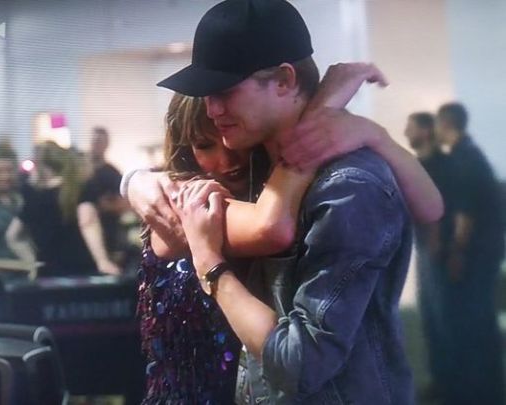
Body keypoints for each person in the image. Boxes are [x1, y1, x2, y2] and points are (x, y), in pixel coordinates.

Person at [143, 1, 448, 403]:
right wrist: (135, 183)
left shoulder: (347, 187)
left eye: (225, 91)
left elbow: (301, 362)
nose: (212, 109)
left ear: (285, 80)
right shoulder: (255, 164)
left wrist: (210, 267)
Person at [435, 102, 505, 405]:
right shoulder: (473, 156)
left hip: (475, 256)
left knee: (473, 322)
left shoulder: (463, 160)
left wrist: (456, 253)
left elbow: (465, 217)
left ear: (446, 124)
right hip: (487, 253)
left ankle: (477, 392)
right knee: (481, 321)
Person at [404, 112, 453, 401]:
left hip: (437, 253)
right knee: (432, 320)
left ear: (424, 131)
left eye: (410, 128)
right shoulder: (422, 163)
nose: (406, 132)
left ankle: (448, 385)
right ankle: (440, 380)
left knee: (442, 318)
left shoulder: (437, 165)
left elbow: (440, 211)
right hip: (427, 250)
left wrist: (435, 246)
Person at [6, 141, 97, 277]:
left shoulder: (33, 197)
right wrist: (102, 261)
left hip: (47, 271)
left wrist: (32, 263)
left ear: (41, 166)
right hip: (81, 270)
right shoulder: (78, 191)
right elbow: (88, 224)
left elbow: (12, 236)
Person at [78, 127, 126, 275]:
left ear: (106, 144)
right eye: (94, 140)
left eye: (99, 141)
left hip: (106, 233)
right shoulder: (78, 170)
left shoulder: (112, 173)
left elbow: (124, 203)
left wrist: (103, 207)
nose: (96, 144)